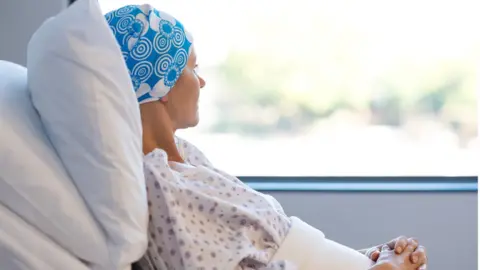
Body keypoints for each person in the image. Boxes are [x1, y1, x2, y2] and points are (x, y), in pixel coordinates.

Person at [105, 4, 427, 270]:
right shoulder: (159, 184)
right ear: (163, 80)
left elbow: (263, 251)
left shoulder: (187, 158)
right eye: (193, 67)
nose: (201, 82)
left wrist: (366, 256)